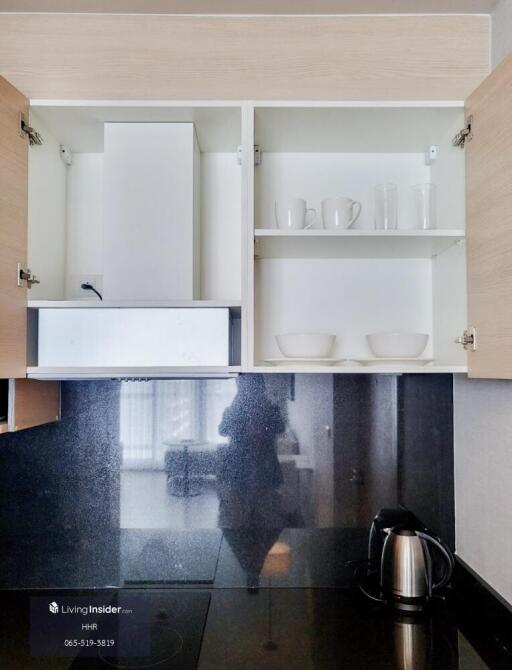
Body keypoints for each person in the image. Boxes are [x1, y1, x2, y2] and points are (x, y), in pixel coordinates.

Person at [217, 375, 285, 528]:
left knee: (266, 521)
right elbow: (222, 430)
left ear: (259, 387)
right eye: (242, 386)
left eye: (249, 386)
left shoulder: (270, 409)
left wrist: (264, 412)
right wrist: (236, 407)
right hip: (238, 473)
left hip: (264, 472)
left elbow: (280, 427)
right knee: (237, 521)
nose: (246, 390)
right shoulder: (234, 410)